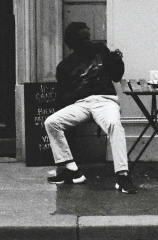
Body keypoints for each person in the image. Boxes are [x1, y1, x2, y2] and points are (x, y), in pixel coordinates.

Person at [44, 22, 137, 194]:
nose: (87, 40)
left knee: (114, 125)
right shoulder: (65, 66)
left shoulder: (100, 49)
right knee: (51, 122)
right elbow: (63, 97)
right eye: (82, 38)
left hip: (105, 100)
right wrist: (77, 94)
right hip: (82, 104)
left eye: (88, 36)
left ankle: (123, 176)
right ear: (72, 42)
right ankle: (70, 169)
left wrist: (117, 60)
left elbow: (116, 76)